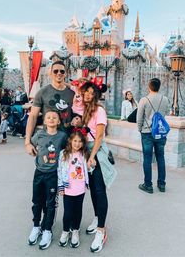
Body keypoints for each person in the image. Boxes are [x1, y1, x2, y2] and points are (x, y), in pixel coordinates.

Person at [81, 79, 117, 253]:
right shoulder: (86, 111)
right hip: (87, 152)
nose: (87, 94)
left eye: (90, 92)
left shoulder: (99, 110)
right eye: (85, 92)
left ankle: (101, 230)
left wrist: (92, 156)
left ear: (96, 95)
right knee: (94, 190)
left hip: (97, 152)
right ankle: (97, 218)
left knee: (100, 190)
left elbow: (100, 136)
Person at [28, 110, 67, 250]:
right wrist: (29, 147)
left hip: (53, 174)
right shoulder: (39, 135)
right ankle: (36, 226)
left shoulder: (62, 136)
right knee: (37, 201)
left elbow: (67, 150)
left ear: (58, 122)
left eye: (54, 117)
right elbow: (30, 144)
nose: (51, 119)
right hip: (39, 173)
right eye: (48, 117)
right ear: (44, 121)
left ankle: (47, 230)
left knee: (50, 203)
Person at [25, 60, 74, 156]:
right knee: (47, 168)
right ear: (50, 73)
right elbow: (33, 117)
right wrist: (27, 142)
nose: (59, 73)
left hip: (68, 141)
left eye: (62, 71)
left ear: (65, 74)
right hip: (49, 141)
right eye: (55, 71)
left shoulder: (73, 93)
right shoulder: (42, 92)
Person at [137, 78, 169, 194]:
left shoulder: (144, 100)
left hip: (147, 133)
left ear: (149, 87)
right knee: (161, 157)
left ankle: (148, 185)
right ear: (159, 87)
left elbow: (139, 118)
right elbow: (165, 113)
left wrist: (140, 129)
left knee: (147, 159)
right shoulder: (165, 99)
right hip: (160, 133)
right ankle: (161, 184)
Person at [58, 129, 89, 248]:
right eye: (75, 141)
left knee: (78, 211)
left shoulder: (84, 154)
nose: (77, 144)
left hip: (80, 188)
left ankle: (75, 230)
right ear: (70, 141)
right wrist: (61, 186)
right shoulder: (64, 153)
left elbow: (86, 169)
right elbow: (60, 171)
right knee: (67, 212)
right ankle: (65, 231)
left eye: (80, 141)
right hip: (68, 189)